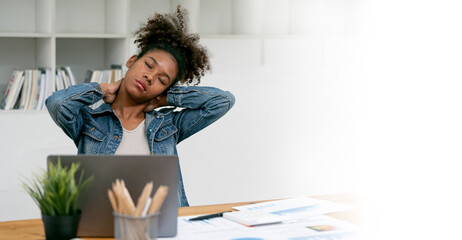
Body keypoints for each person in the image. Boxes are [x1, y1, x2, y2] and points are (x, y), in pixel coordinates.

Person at [45, 7, 235, 207]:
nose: (150, 77)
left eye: (162, 80)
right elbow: (57, 104)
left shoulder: (169, 125)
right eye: (149, 65)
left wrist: (167, 98)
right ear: (132, 61)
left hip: (160, 228)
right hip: (103, 227)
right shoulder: (90, 121)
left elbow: (223, 101)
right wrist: (101, 89)